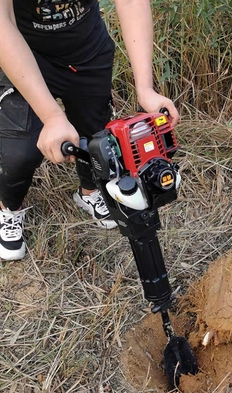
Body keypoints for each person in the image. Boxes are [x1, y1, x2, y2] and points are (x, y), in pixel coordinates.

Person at [0, 0, 180, 261]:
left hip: (87, 51)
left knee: (96, 135)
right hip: (25, 54)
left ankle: (90, 192)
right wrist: (52, 116)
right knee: (21, 152)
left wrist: (145, 89)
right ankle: (8, 208)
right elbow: (3, 24)